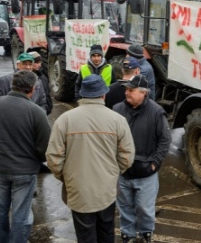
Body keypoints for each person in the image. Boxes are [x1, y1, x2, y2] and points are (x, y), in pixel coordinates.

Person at [47, 75, 135, 243]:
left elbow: (54, 159)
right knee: (106, 232)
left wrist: (66, 177)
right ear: (103, 95)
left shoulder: (64, 120)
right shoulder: (118, 120)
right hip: (106, 190)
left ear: (82, 95)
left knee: (85, 235)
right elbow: (127, 156)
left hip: (78, 191)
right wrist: (113, 173)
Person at [0, 70, 51, 243]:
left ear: (12, 85)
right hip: (24, 171)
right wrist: (36, 158)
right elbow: (45, 147)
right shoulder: (36, 111)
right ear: (32, 88)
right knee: (21, 214)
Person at [113, 74, 171, 243]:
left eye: (131, 90)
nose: (127, 93)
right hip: (123, 172)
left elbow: (165, 140)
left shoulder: (156, 113)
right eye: (126, 90)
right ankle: (128, 234)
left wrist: (154, 163)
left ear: (143, 93)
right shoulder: (117, 110)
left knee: (145, 208)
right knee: (125, 207)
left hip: (146, 173)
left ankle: (146, 233)